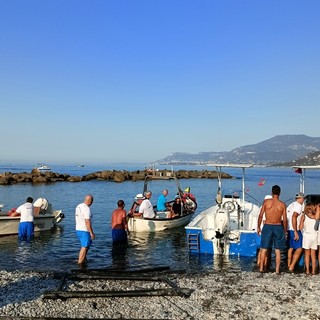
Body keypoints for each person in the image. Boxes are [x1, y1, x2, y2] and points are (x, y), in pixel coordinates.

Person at [257, 185, 287, 274]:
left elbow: (261, 215)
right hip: (278, 226)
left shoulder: (266, 202)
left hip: (268, 225)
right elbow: (285, 219)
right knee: (278, 250)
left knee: (264, 248)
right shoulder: (282, 204)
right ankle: (277, 270)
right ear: (280, 193)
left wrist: (258, 226)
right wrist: (285, 231)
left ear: (272, 192)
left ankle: (261, 268)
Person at [287, 192, 305, 272]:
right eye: (303, 199)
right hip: (294, 229)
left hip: (288, 228)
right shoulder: (299, 206)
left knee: (290, 248)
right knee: (300, 248)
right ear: (301, 199)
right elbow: (294, 217)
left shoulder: (291, 205)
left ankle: (288, 264)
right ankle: (292, 266)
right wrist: (295, 231)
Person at [75, 194, 95, 265]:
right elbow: (87, 221)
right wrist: (91, 232)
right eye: (92, 201)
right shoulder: (86, 209)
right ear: (90, 201)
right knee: (84, 246)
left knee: (87, 244)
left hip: (78, 229)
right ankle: (80, 263)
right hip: (84, 230)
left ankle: (83, 259)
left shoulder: (79, 206)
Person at [299, 204, 317, 275]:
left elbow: (300, 227)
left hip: (307, 235)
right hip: (314, 235)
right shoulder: (316, 216)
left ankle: (307, 270)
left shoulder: (304, 216)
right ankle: (313, 270)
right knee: (313, 254)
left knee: (307, 254)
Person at [257, 195, 272, 270]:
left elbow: (260, 218)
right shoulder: (267, 208)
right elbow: (265, 221)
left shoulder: (261, 208)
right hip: (266, 231)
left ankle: (259, 263)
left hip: (260, 231)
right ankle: (265, 266)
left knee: (261, 249)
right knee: (266, 250)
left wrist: (258, 228)